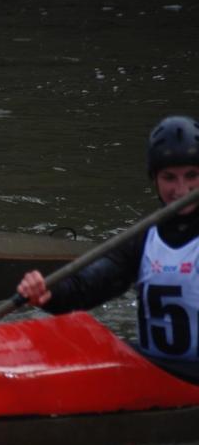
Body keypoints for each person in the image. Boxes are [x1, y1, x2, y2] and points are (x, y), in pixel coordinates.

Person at [16, 114, 199, 368]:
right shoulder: (143, 239)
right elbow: (87, 286)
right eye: (170, 177)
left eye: (192, 175)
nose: (181, 190)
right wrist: (48, 292)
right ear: (154, 180)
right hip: (157, 375)